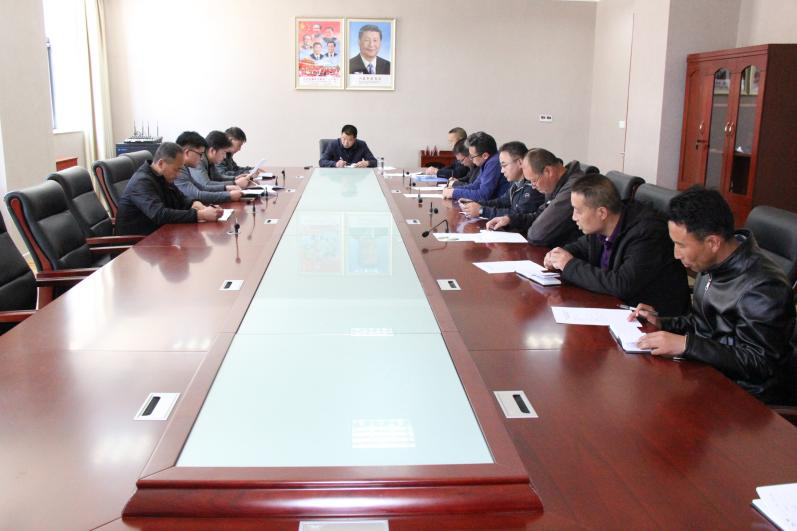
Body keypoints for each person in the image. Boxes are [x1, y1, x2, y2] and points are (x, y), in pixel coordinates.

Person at [632, 187, 796, 404]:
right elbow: (703, 322)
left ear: (713, 242)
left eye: (681, 245)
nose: (676, 254)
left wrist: (688, 345)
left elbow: (761, 363)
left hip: (747, 400)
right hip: (708, 374)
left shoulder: (763, 286)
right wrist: (662, 323)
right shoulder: (712, 262)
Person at [543, 173, 690, 316]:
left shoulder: (648, 233)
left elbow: (622, 285)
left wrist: (569, 265)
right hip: (615, 308)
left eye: (578, 211)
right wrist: (557, 256)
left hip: (652, 320)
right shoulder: (602, 225)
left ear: (602, 213)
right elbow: (581, 247)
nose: (573, 217)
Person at [486, 148, 593, 247]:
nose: (532, 186)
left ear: (548, 171)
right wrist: (510, 220)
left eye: (533, 181)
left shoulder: (573, 188)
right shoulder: (556, 184)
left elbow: (537, 235)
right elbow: (539, 215)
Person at [116, 142, 221, 235]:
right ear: (161, 163)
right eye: (176, 169)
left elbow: (181, 198)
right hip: (137, 243)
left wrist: (197, 205)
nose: (179, 174)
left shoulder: (161, 176)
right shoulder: (141, 182)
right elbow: (160, 214)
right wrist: (200, 215)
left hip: (159, 235)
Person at [460, 141, 544, 220]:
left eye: (504, 165)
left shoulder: (533, 186)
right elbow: (502, 202)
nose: (502, 171)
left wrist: (482, 210)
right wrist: (476, 204)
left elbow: (517, 215)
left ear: (520, 163)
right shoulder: (515, 182)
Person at [174, 131, 244, 205]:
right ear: (187, 153)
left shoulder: (185, 167)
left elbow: (202, 188)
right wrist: (228, 195)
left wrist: (227, 187)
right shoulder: (178, 169)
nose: (201, 158)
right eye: (200, 154)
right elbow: (197, 195)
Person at [441, 131, 509, 202]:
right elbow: (475, 186)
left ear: (485, 155)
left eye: (472, 156)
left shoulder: (494, 162)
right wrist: (454, 190)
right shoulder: (486, 161)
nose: (471, 159)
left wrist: (454, 193)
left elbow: (482, 195)